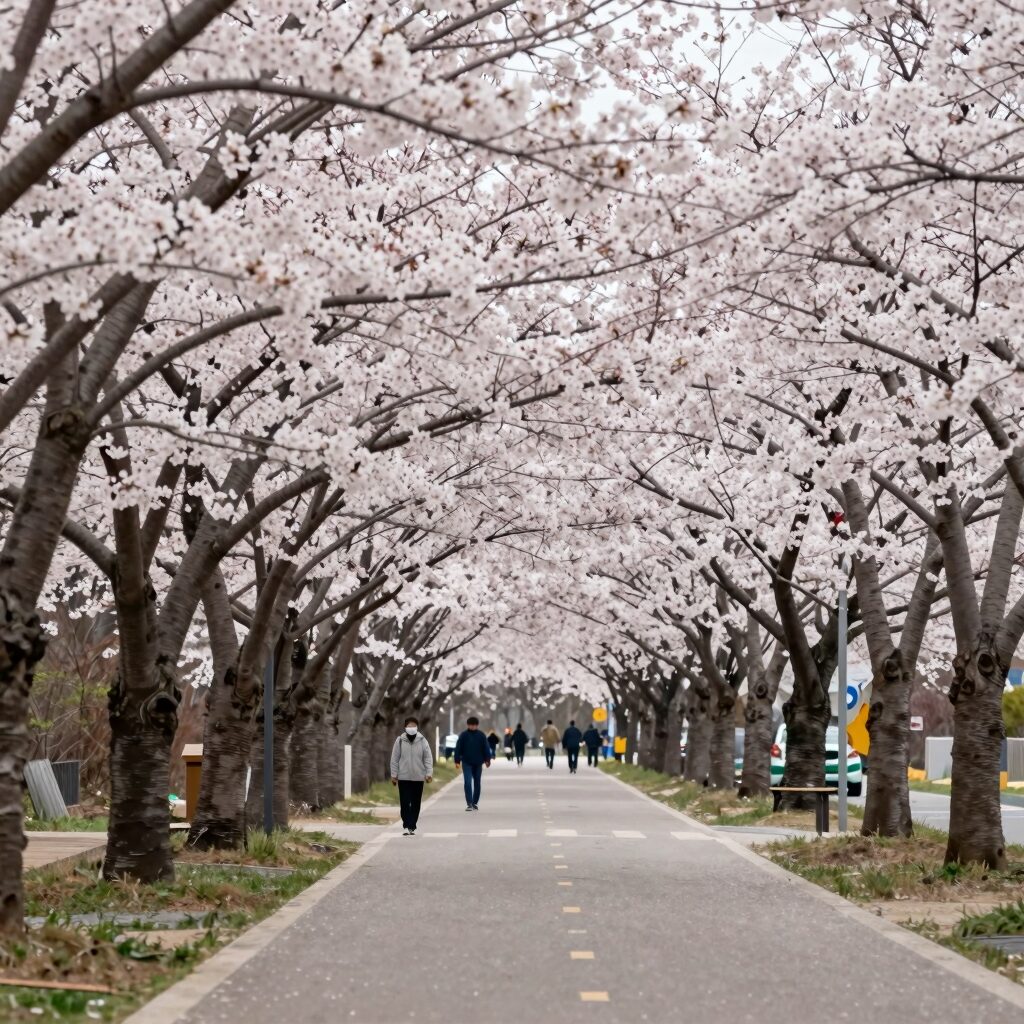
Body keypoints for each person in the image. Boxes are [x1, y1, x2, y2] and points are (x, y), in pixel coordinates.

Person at [389, 716, 433, 835]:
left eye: (413, 726)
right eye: (409, 726)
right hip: (403, 777)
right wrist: (394, 775)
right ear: (405, 727)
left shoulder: (423, 740)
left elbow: (428, 758)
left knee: (415, 802)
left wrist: (429, 773)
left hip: (418, 777)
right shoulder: (399, 740)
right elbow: (394, 759)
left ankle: (412, 825)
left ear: (417, 727)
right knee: (404, 802)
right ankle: (406, 824)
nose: (411, 728)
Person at [454, 716, 492, 810]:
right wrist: (457, 760)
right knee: (467, 782)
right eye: (471, 725)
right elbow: (458, 748)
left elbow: (486, 748)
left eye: (474, 725)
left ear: (477, 725)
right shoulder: (463, 735)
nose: (472, 727)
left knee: (477, 782)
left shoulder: (481, 735)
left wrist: (487, 759)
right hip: (466, 762)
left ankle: (475, 802)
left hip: (478, 762)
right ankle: (469, 803)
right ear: (468, 725)